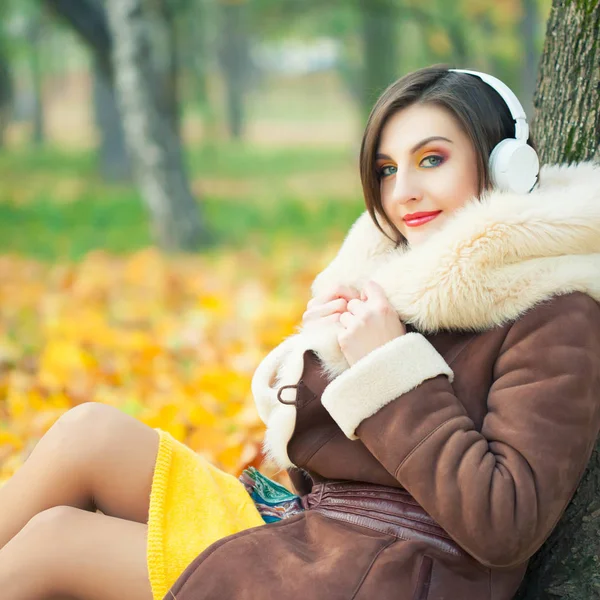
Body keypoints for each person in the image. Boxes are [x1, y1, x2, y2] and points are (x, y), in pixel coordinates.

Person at [0, 64, 599, 600]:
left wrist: (387, 369)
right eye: (387, 170)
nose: (403, 192)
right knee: (89, 432)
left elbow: (505, 522)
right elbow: (335, 471)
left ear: (504, 164)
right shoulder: (400, 283)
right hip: (317, 532)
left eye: (432, 160)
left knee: (55, 544)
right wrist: (319, 358)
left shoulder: (556, 309)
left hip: (389, 572)